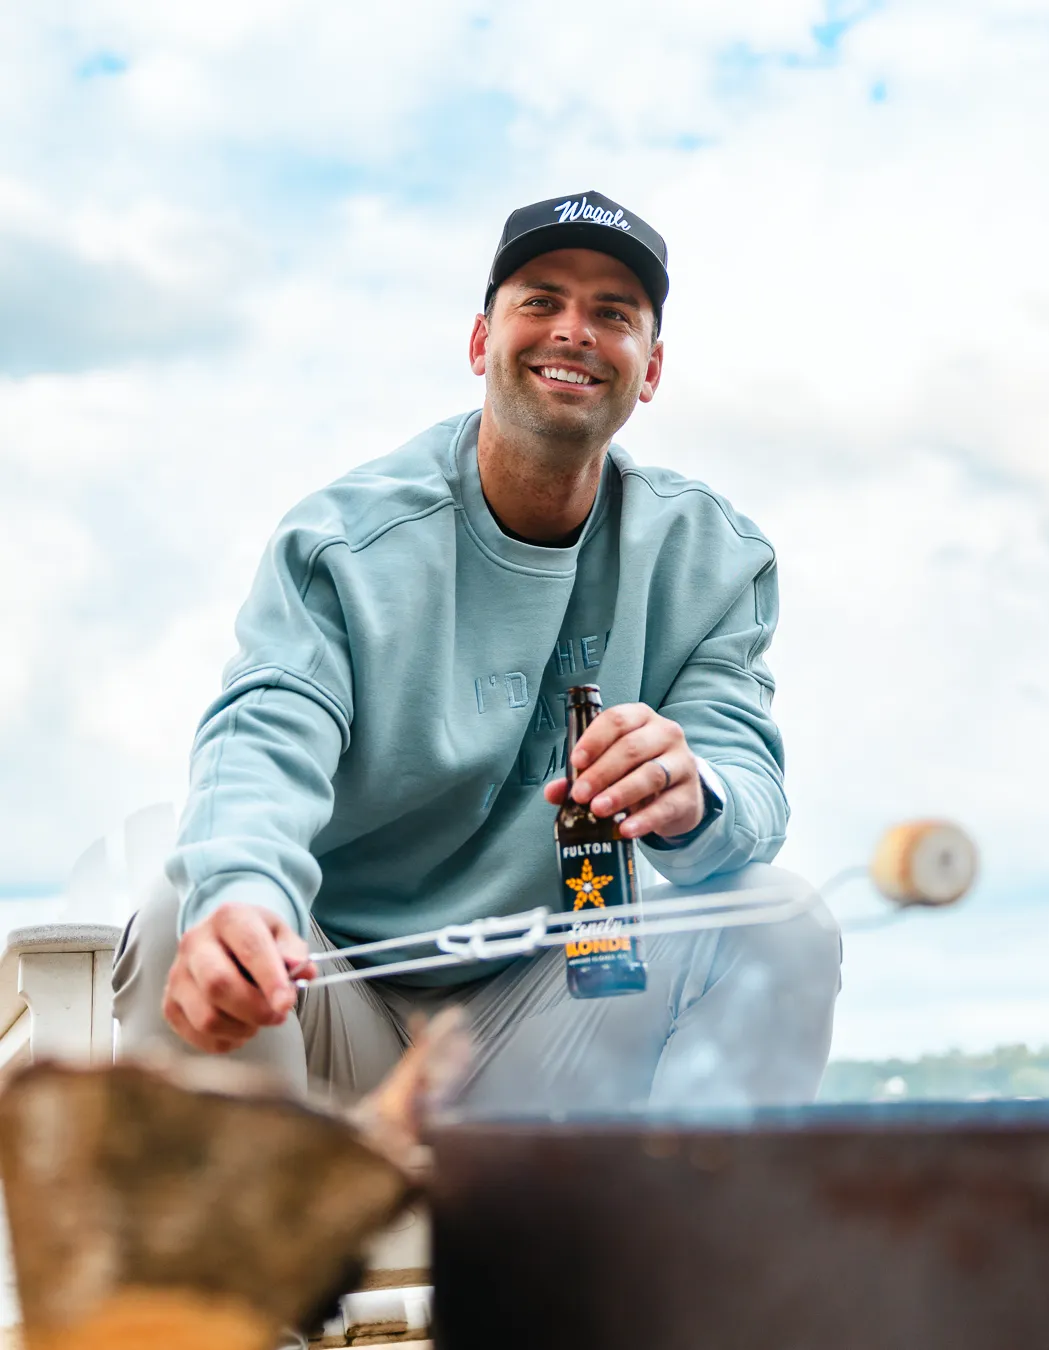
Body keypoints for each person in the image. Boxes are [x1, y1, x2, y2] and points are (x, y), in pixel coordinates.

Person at [114, 189, 841, 1118]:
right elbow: (262, 739)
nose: (573, 331)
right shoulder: (344, 542)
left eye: (612, 313)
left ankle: (675, 1257)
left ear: (649, 368)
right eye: (540, 301)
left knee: (776, 922)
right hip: (332, 1007)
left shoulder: (713, 558)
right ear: (479, 342)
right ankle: (222, 1264)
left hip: (556, 1015)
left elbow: (751, 794)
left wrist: (698, 794)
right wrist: (243, 891)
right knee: (192, 909)